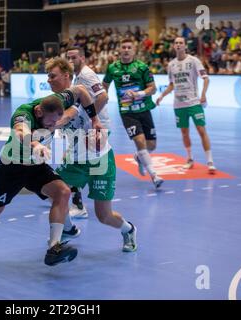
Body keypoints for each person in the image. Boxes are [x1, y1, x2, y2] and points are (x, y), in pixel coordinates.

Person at [0, 84, 102, 266]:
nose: (53, 126)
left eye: (55, 123)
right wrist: (36, 145)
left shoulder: (58, 102)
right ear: (38, 113)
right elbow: (21, 132)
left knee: (63, 192)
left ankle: (54, 248)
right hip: (11, 168)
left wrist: (95, 119)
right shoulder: (23, 115)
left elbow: (80, 90)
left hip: (36, 166)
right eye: (50, 123)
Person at [46, 57, 137, 252]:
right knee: (55, 193)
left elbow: (70, 114)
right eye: (47, 76)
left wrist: (55, 123)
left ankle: (128, 230)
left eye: (52, 76)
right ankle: (68, 228)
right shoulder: (55, 99)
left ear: (66, 76)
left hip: (100, 160)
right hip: (75, 160)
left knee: (104, 216)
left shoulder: (79, 92)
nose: (49, 80)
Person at [103, 38, 164, 188]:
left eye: (129, 47)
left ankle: (139, 156)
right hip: (127, 112)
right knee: (140, 141)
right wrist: (103, 99)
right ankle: (154, 175)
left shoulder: (142, 67)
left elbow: (153, 88)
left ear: (134, 50)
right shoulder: (112, 68)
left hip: (144, 109)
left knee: (152, 145)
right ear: (120, 50)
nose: (126, 50)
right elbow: (104, 85)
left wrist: (140, 93)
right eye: (123, 47)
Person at [156, 37, 216, 173]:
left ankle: (210, 161)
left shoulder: (194, 61)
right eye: (176, 43)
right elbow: (172, 85)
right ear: (174, 46)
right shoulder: (171, 65)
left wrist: (203, 94)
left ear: (185, 46)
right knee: (184, 133)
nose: (178, 45)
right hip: (178, 104)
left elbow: (206, 79)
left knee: (201, 130)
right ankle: (189, 159)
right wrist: (161, 96)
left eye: (180, 43)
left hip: (194, 102)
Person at [65, 46, 110, 219]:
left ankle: (78, 204)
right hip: (87, 128)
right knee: (75, 159)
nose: (70, 61)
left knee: (78, 161)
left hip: (97, 127)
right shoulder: (78, 76)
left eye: (73, 58)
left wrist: (93, 121)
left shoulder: (86, 75)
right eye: (68, 58)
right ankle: (74, 199)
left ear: (82, 58)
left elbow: (103, 97)